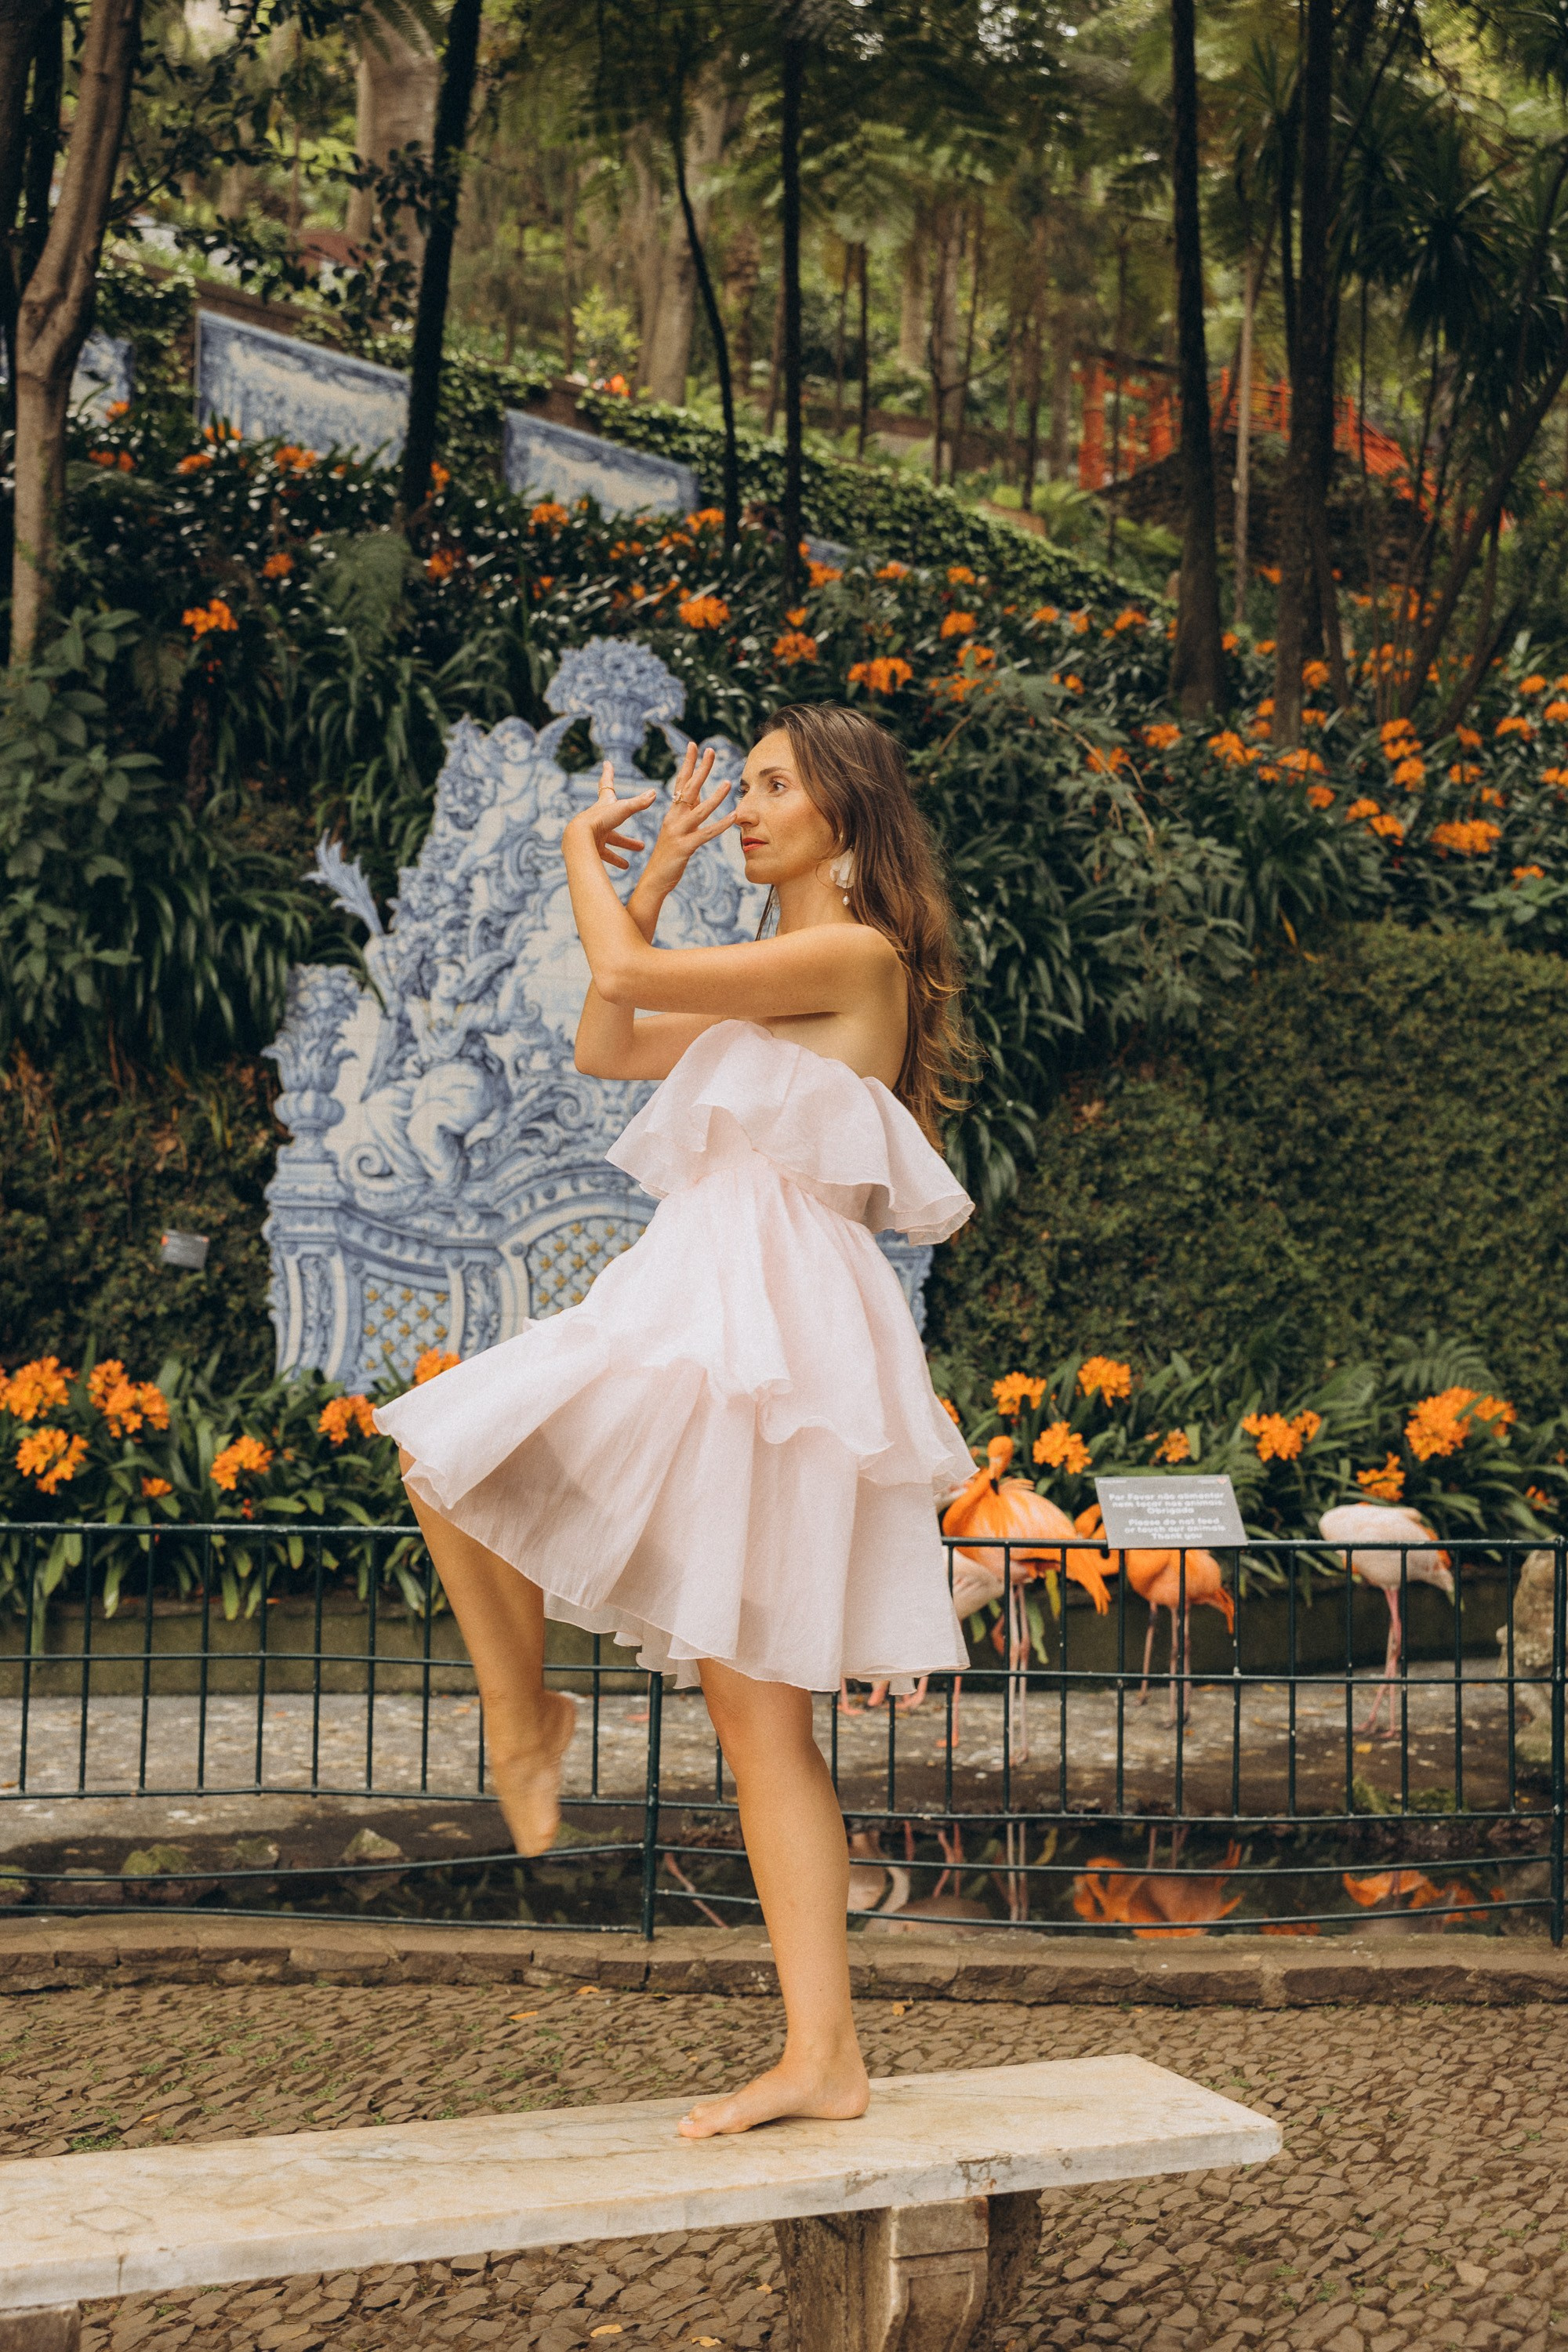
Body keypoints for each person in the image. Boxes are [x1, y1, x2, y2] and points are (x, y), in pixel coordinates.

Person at [377, 702, 977, 2137]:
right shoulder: (780, 978)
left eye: (776, 786)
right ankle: (537, 1724)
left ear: (847, 811)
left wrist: (582, 852)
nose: (749, 807)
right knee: (452, 1458)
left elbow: (629, 973)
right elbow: (609, 1034)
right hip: (712, 1291)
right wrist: (638, 884)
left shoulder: (853, 955)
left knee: (748, 1706)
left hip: (766, 1314)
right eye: (748, 785)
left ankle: (813, 2046)